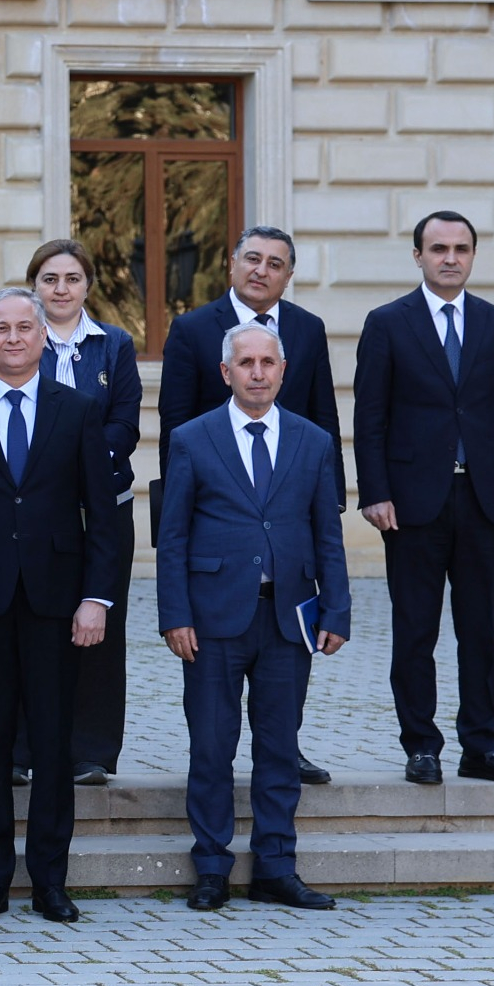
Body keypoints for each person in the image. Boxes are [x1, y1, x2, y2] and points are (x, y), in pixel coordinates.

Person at [0, 288, 123, 926]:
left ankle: (50, 882)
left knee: (55, 745)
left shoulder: (79, 410)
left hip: (58, 604)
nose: (13, 338)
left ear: (43, 336)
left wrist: (97, 598)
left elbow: (106, 517)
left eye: (24, 328)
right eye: (1, 328)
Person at [158, 319, 351, 913]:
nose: (258, 373)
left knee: (278, 745)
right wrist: (175, 615)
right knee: (212, 746)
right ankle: (212, 867)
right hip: (212, 619)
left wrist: (336, 608)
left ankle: (275, 865)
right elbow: (173, 536)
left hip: (287, 619)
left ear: (283, 371)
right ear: (226, 372)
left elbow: (327, 533)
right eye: (246, 364)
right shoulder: (193, 438)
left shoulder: (312, 441)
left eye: (268, 363)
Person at [353, 211, 494, 787]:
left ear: (473, 256)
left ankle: (481, 745)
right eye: (438, 248)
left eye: (460, 248)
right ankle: (421, 746)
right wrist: (375, 492)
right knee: (416, 629)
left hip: (484, 498)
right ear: (418, 256)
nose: (450, 257)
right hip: (412, 503)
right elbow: (370, 415)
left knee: (480, 629)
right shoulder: (387, 324)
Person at [158, 224, 341, 786]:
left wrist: (324, 513)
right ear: (232, 264)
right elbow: (174, 424)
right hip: (218, 538)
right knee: (213, 730)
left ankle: (288, 748)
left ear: (289, 274)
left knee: (281, 698)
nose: (263, 270)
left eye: (276, 263)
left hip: (287, 527)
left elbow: (321, 418)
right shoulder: (192, 329)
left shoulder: (307, 331)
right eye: (253, 259)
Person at [27, 238, 143, 784]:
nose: (61, 289)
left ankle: (92, 751)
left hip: (105, 507)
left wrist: (83, 464)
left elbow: (125, 422)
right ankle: (25, 748)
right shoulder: (20, 337)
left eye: (72, 279)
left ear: (88, 286)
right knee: (35, 620)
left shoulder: (114, 344)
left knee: (101, 622)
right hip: (38, 508)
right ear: (35, 286)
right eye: (50, 279)